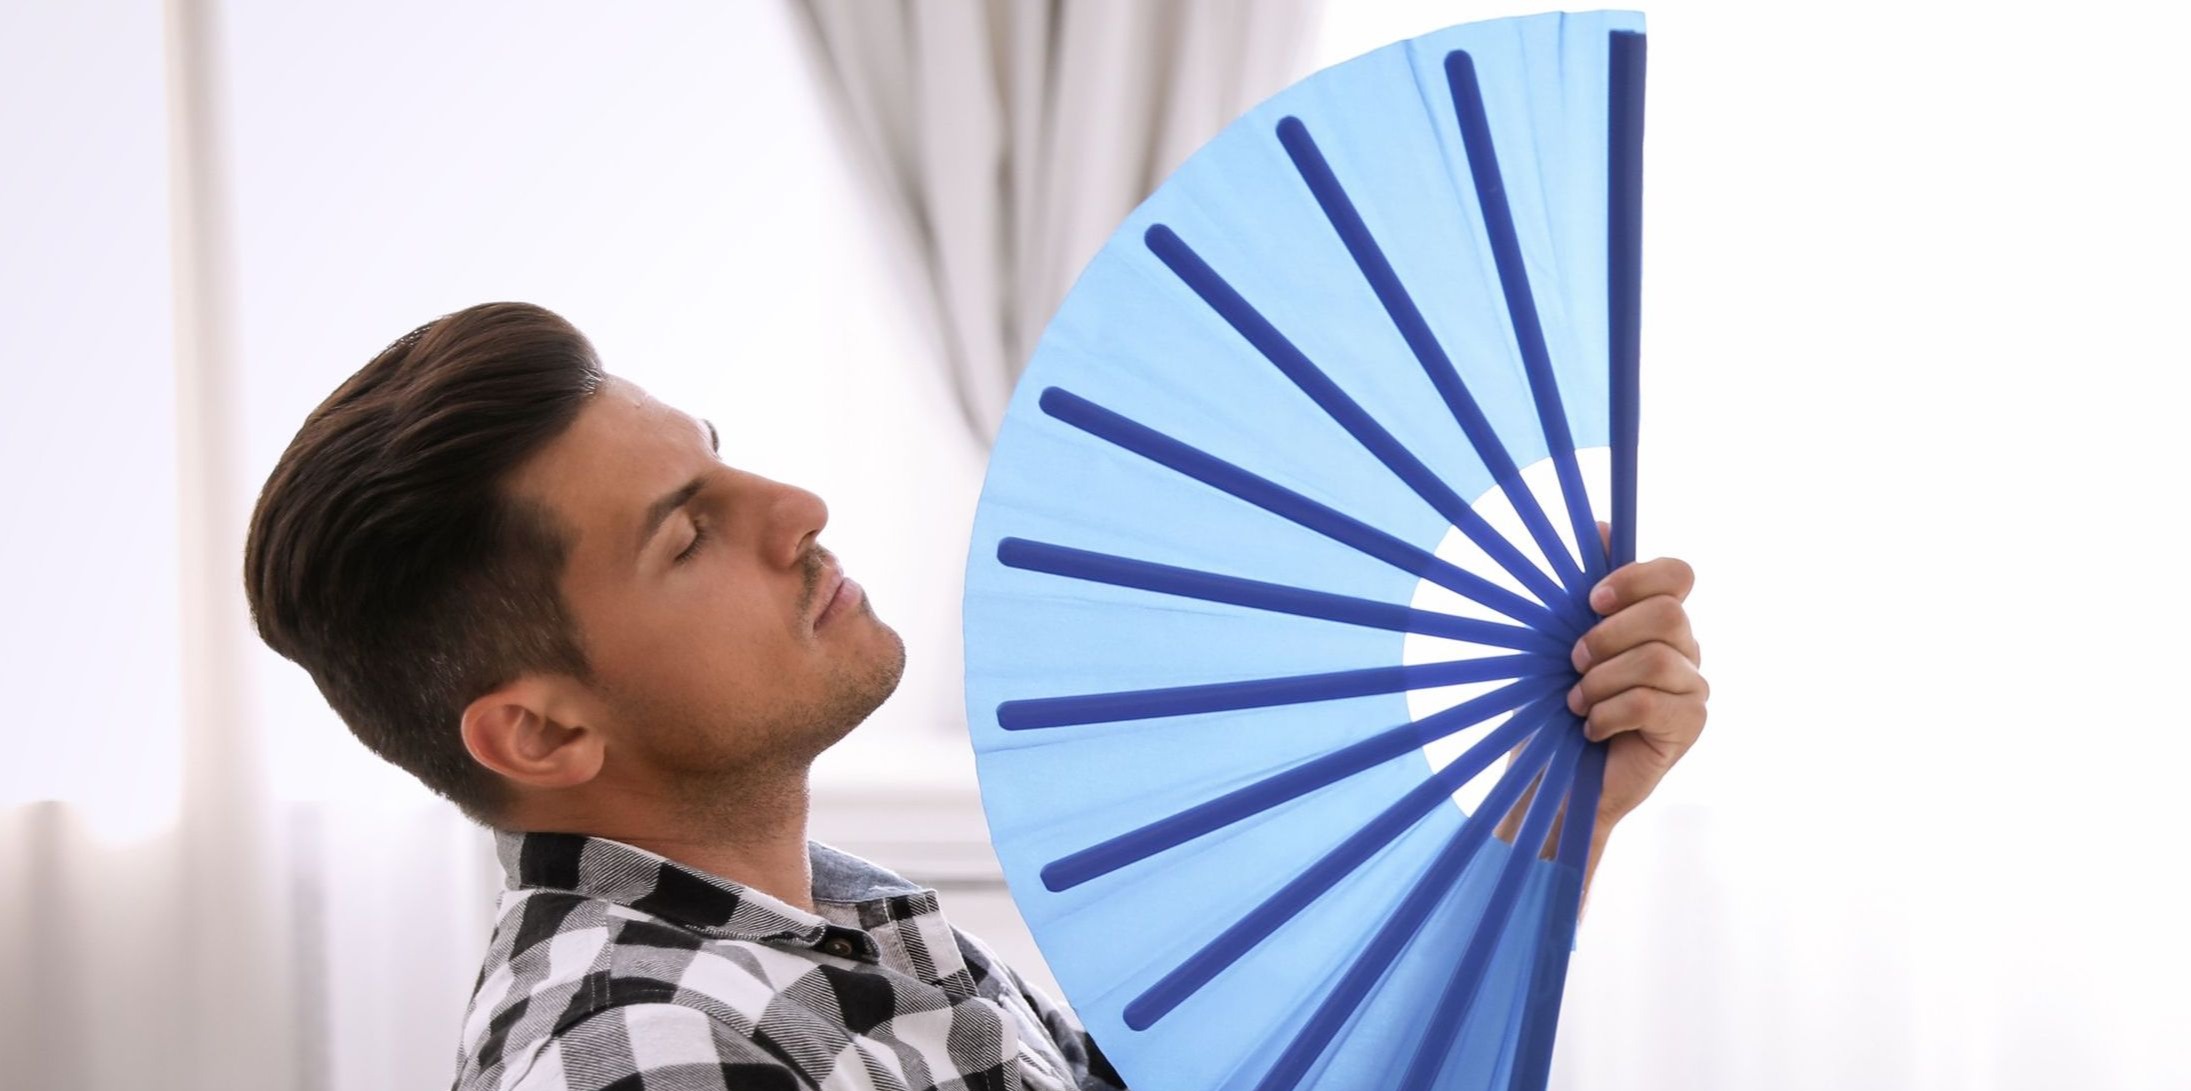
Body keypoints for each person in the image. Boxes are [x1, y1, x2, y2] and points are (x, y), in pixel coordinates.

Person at [243, 302, 1708, 1091]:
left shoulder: (847, 924)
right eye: (686, 532)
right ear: (547, 731)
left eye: (721, 453)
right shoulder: (642, 1050)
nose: (797, 506)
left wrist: (1546, 820)